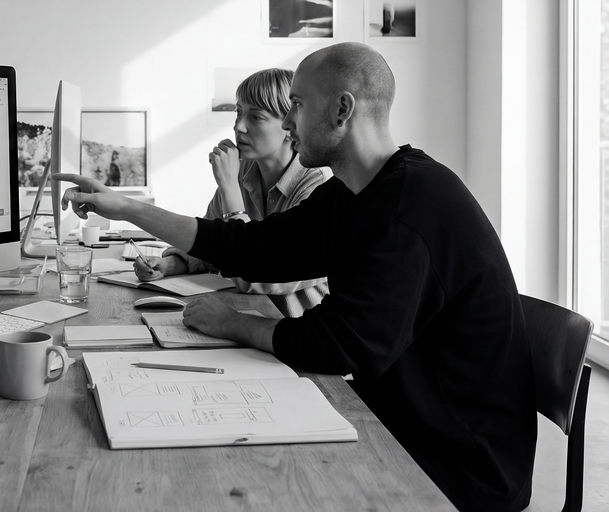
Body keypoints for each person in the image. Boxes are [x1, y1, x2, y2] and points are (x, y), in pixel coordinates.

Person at [55, 42, 536, 512]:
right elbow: (252, 249)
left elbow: (340, 345)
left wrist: (234, 323)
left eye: (298, 105)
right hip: (398, 416)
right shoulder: (352, 192)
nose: (287, 122)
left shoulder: (411, 205)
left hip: (457, 464)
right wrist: (124, 207)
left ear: (342, 110)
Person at [134, 68, 331, 317]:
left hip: (293, 330)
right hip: (244, 316)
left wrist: (229, 188)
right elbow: (212, 243)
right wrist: (170, 264)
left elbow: (262, 277)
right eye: (238, 112)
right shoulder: (243, 170)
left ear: (290, 125)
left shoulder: (317, 185)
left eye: (256, 117)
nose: (239, 126)